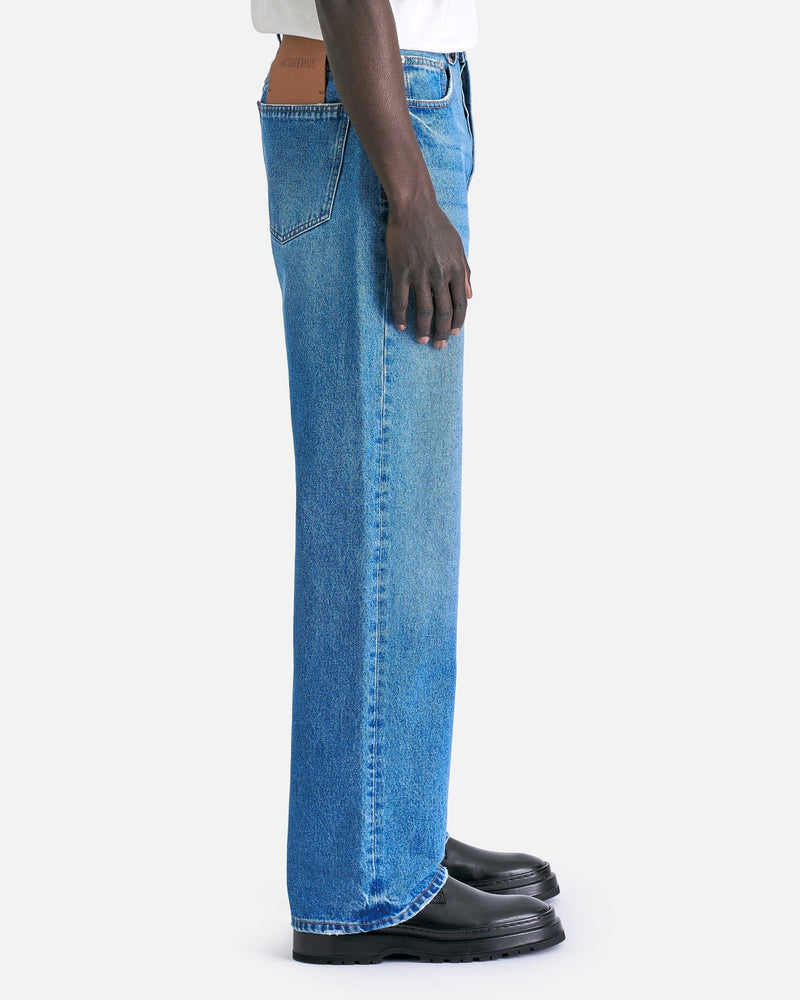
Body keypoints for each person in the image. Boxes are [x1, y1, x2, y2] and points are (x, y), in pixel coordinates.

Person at [252, 0, 566, 963]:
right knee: (378, 521)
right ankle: (366, 880)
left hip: (384, 96)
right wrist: (410, 190)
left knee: (402, 520)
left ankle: (395, 824)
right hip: (373, 109)